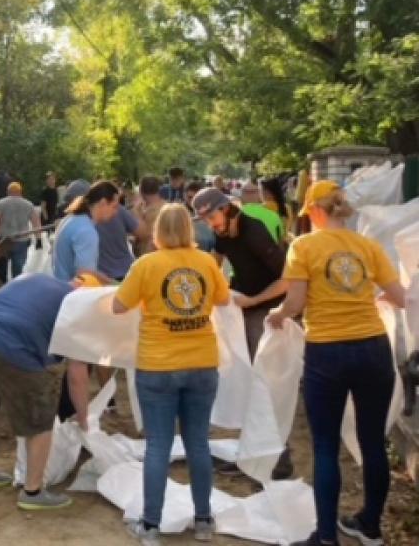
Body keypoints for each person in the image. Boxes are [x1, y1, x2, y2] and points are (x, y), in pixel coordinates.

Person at [266, 181, 405, 546]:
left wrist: (278, 315)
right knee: (373, 441)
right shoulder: (368, 246)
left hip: (327, 351)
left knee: (325, 445)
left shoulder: (304, 246)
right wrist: (370, 296)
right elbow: (400, 297)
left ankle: (326, 536)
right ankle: (371, 526)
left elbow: (295, 304)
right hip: (373, 349)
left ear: (313, 210)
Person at [113, 204, 230, 544]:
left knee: (158, 446)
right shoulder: (207, 262)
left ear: (158, 231)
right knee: (198, 442)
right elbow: (222, 300)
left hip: (158, 366)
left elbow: (120, 306)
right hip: (202, 363)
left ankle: (150, 526)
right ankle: (204, 520)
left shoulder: (146, 265)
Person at [0, 272, 90, 511]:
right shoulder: (76, 308)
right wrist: (83, 418)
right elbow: (77, 375)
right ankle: (33, 491)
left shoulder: (41, 279)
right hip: (11, 343)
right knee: (40, 417)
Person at [193, 186, 293, 480]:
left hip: (267, 312)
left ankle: (279, 458)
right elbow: (214, 264)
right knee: (246, 382)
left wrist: (254, 301)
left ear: (226, 209)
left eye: (211, 216)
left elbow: (287, 278)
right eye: (205, 220)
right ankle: (251, 452)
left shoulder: (254, 232)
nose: (210, 225)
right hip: (242, 309)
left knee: (264, 384)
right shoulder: (222, 234)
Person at [53, 180, 121, 282]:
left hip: (61, 287)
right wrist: (113, 284)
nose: (116, 213)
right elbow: (85, 275)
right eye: (114, 207)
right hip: (71, 293)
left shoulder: (71, 218)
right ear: (102, 203)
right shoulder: (86, 231)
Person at [0, 182, 41, 279]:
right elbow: (36, 223)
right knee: (18, 269)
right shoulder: (28, 204)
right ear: (20, 192)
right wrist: (39, 239)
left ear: (8, 192)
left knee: (1, 269)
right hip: (22, 241)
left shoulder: (1, 203)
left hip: (4, 241)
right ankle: (16, 287)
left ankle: (3, 287)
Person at [96, 193, 140, 282]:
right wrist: (137, 209)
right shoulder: (119, 210)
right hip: (125, 270)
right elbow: (141, 232)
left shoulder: (87, 218)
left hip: (103, 275)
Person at [133, 176, 165, 256]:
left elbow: (144, 234)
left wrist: (136, 212)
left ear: (141, 191)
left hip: (149, 256)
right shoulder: (167, 207)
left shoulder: (139, 210)